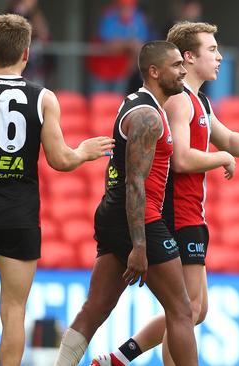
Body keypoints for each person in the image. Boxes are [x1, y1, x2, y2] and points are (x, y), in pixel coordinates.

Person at [91, 21, 239, 366]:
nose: (219, 57)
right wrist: (221, 158)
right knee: (186, 310)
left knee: (194, 310)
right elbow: (182, 159)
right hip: (177, 214)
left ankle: (118, 358)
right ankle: (118, 359)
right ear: (188, 57)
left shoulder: (198, 101)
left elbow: (227, 138)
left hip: (191, 214)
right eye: (211, 50)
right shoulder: (180, 103)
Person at [54, 41, 198, 366]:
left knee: (97, 307)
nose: (183, 70)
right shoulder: (147, 116)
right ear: (154, 71)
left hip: (117, 214)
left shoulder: (145, 105)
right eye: (176, 65)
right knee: (182, 309)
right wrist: (140, 245)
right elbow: (135, 182)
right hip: (138, 217)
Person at [0, 14, 114, 366]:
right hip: (20, 215)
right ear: (27, 53)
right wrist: (85, 152)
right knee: (13, 310)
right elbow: (60, 160)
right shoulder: (43, 98)